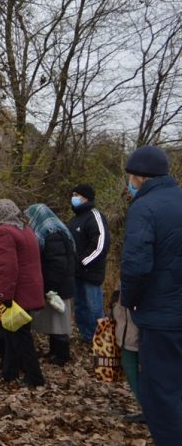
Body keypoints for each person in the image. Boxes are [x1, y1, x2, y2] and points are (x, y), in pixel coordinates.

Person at [119, 145, 182, 444]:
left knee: (161, 393)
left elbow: (137, 266)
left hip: (162, 316)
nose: (129, 183)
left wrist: (128, 300)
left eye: (130, 177)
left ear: (140, 177)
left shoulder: (144, 208)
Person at [0, 199, 45, 387]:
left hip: (16, 292)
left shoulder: (3, 233)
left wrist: (4, 296)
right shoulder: (25, 229)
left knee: (20, 336)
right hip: (30, 289)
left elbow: (7, 268)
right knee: (12, 333)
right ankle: (9, 372)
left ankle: (34, 377)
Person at [24, 203, 76, 366]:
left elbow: (57, 264)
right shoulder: (56, 230)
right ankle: (55, 351)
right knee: (54, 321)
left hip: (58, 286)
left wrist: (50, 287)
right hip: (60, 284)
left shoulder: (51, 234)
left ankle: (62, 355)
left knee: (59, 322)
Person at [68, 183, 110, 342]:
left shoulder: (95, 216)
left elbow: (101, 245)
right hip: (76, 273)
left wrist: (83, 262)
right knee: (80, 308)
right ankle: (87, 337)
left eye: (77, 195)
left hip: (91, 273)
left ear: (86, 197)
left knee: (95, 309)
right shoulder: (74, 220)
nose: (74, 198)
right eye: (73, 195)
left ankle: (103, 342)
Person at [110, 290, 143, 423]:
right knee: (129, 364)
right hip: (127, 325)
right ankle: (148, 408)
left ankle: (152, 410)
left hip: (145, 325)